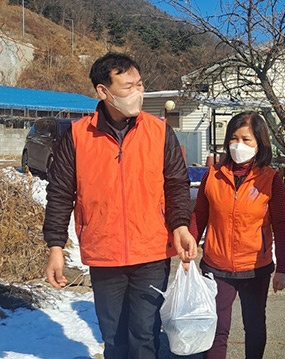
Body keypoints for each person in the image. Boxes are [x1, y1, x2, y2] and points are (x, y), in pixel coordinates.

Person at [43, 52, 198, 359]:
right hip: (104, 254)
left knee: (144, 335)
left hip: (151, 251)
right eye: (128, 86)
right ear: (104, 91)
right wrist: (55, 246)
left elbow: (177, 184)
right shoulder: (77, 136)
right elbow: (60, 192)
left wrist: (180, 225)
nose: (137, 92)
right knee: (114, 339)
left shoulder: (159, 130)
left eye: (139, 84)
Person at [191, 111, 285, 359]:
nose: (239, 145)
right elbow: (200, 214)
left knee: (254, 325)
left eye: (246, 140)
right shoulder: (212, 176)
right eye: (234, 139)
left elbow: (280, 224)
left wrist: (283, 268)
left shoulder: (270, 179)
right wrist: (189, 244)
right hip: (216, 265)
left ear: (260, 143)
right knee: (216, 329)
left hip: (255, 268)